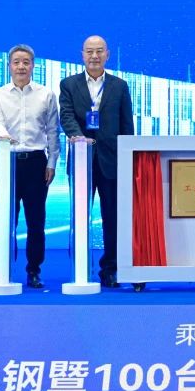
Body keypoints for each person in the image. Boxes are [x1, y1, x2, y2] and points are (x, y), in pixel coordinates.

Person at [59, 35, 135, 288]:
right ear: (82, 55)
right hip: (82, 160)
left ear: (107, 55)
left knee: (112, 218)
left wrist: (129, 159)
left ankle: (110, 269)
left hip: (112, 162)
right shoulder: (68, 84)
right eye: (90, 51)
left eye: (99, 51)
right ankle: (81, 267)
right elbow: (66, 116)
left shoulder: (119, 86)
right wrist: (78, 137)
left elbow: (127, 126)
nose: (94, 56)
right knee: (80, 217)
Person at [0, 44, 60, 289]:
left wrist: (52, 162)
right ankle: (5, 267)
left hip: (37, 163)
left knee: (36, 221)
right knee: (8, 220)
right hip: (8, 162)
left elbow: (53, 132)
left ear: (33, 66)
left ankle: (34, 270)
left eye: (26, 62)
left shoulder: (46, 94)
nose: (21, 66)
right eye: (16, 62)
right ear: (9, 66)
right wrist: (5, 138)